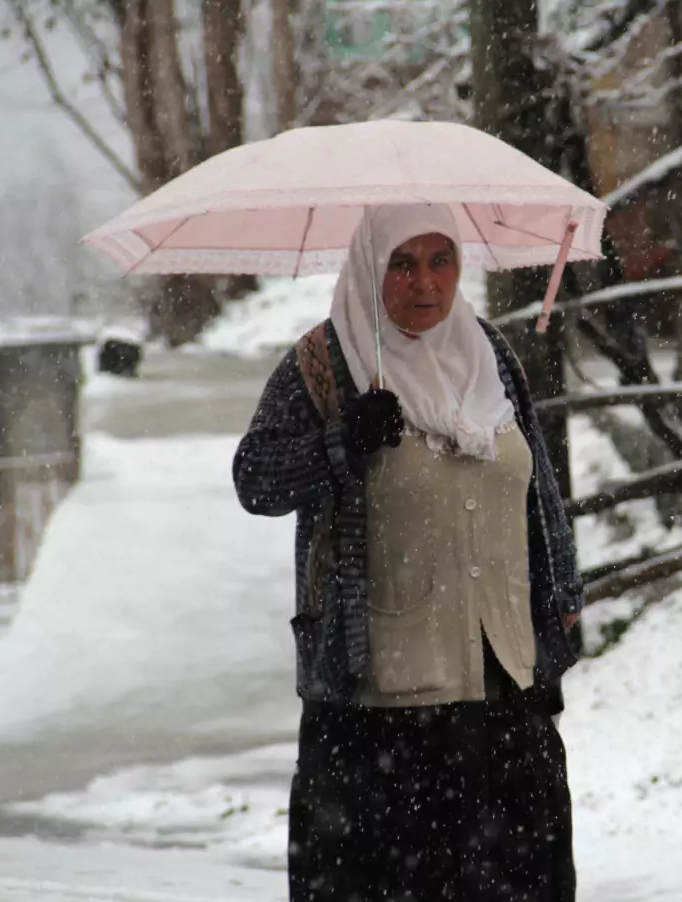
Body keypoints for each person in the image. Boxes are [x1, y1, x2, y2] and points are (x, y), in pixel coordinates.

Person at [233, 203, 584, 902]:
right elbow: (257, 481)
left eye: (440, 260)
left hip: (503, 697)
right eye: (401, 262)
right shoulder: (322, 365)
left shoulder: (492, 356)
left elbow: (537, 489)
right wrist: (342, 442)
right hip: (380, 718)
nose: (424, 283)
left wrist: (559, 610)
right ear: (369, 265)